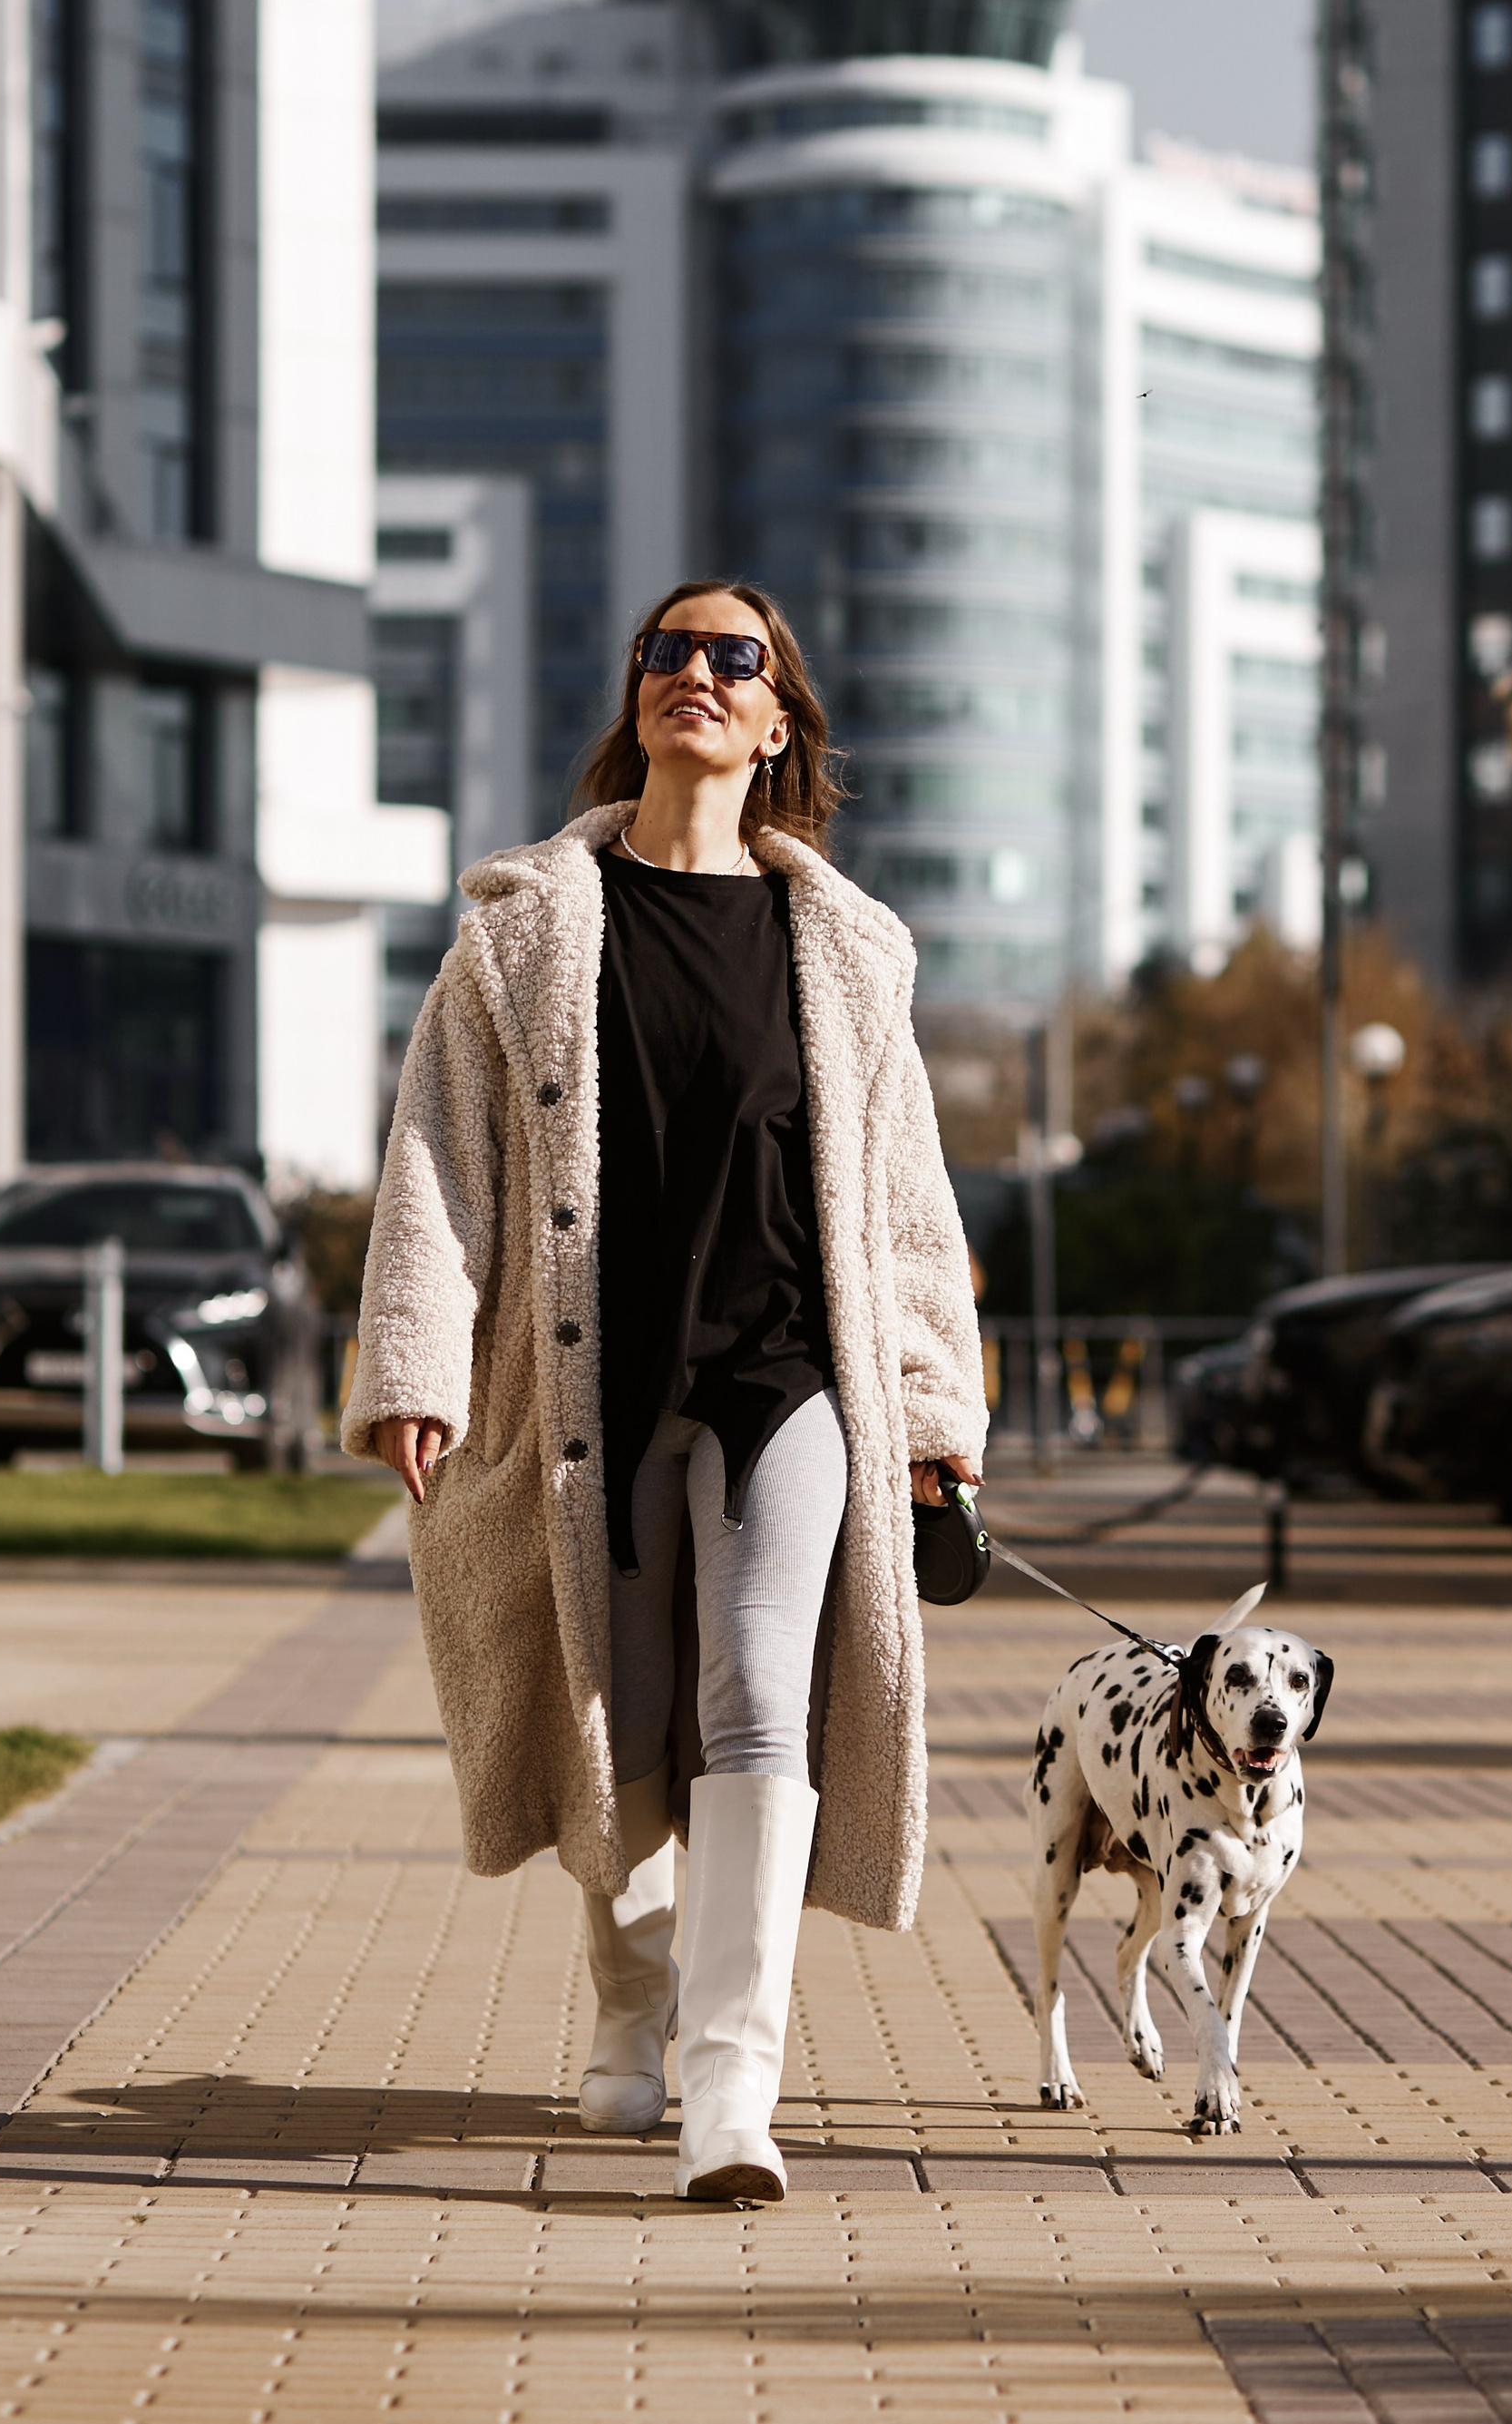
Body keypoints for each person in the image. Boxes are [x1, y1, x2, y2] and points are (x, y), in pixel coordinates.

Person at [345, 580, 987, 2204]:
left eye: (734, 657)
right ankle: (630, 2014)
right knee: (610, 1710)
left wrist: (929, 1417)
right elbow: (440, 1153)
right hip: (587, 1380)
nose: (696, 673)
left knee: (757, 1699)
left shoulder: (846, 948)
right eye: (668, 651)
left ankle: (731, 2088)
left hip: (788, 1376)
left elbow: (906, 1205)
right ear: (638, 692)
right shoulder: (528, 926)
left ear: (780, 723)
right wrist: (417, 1358)